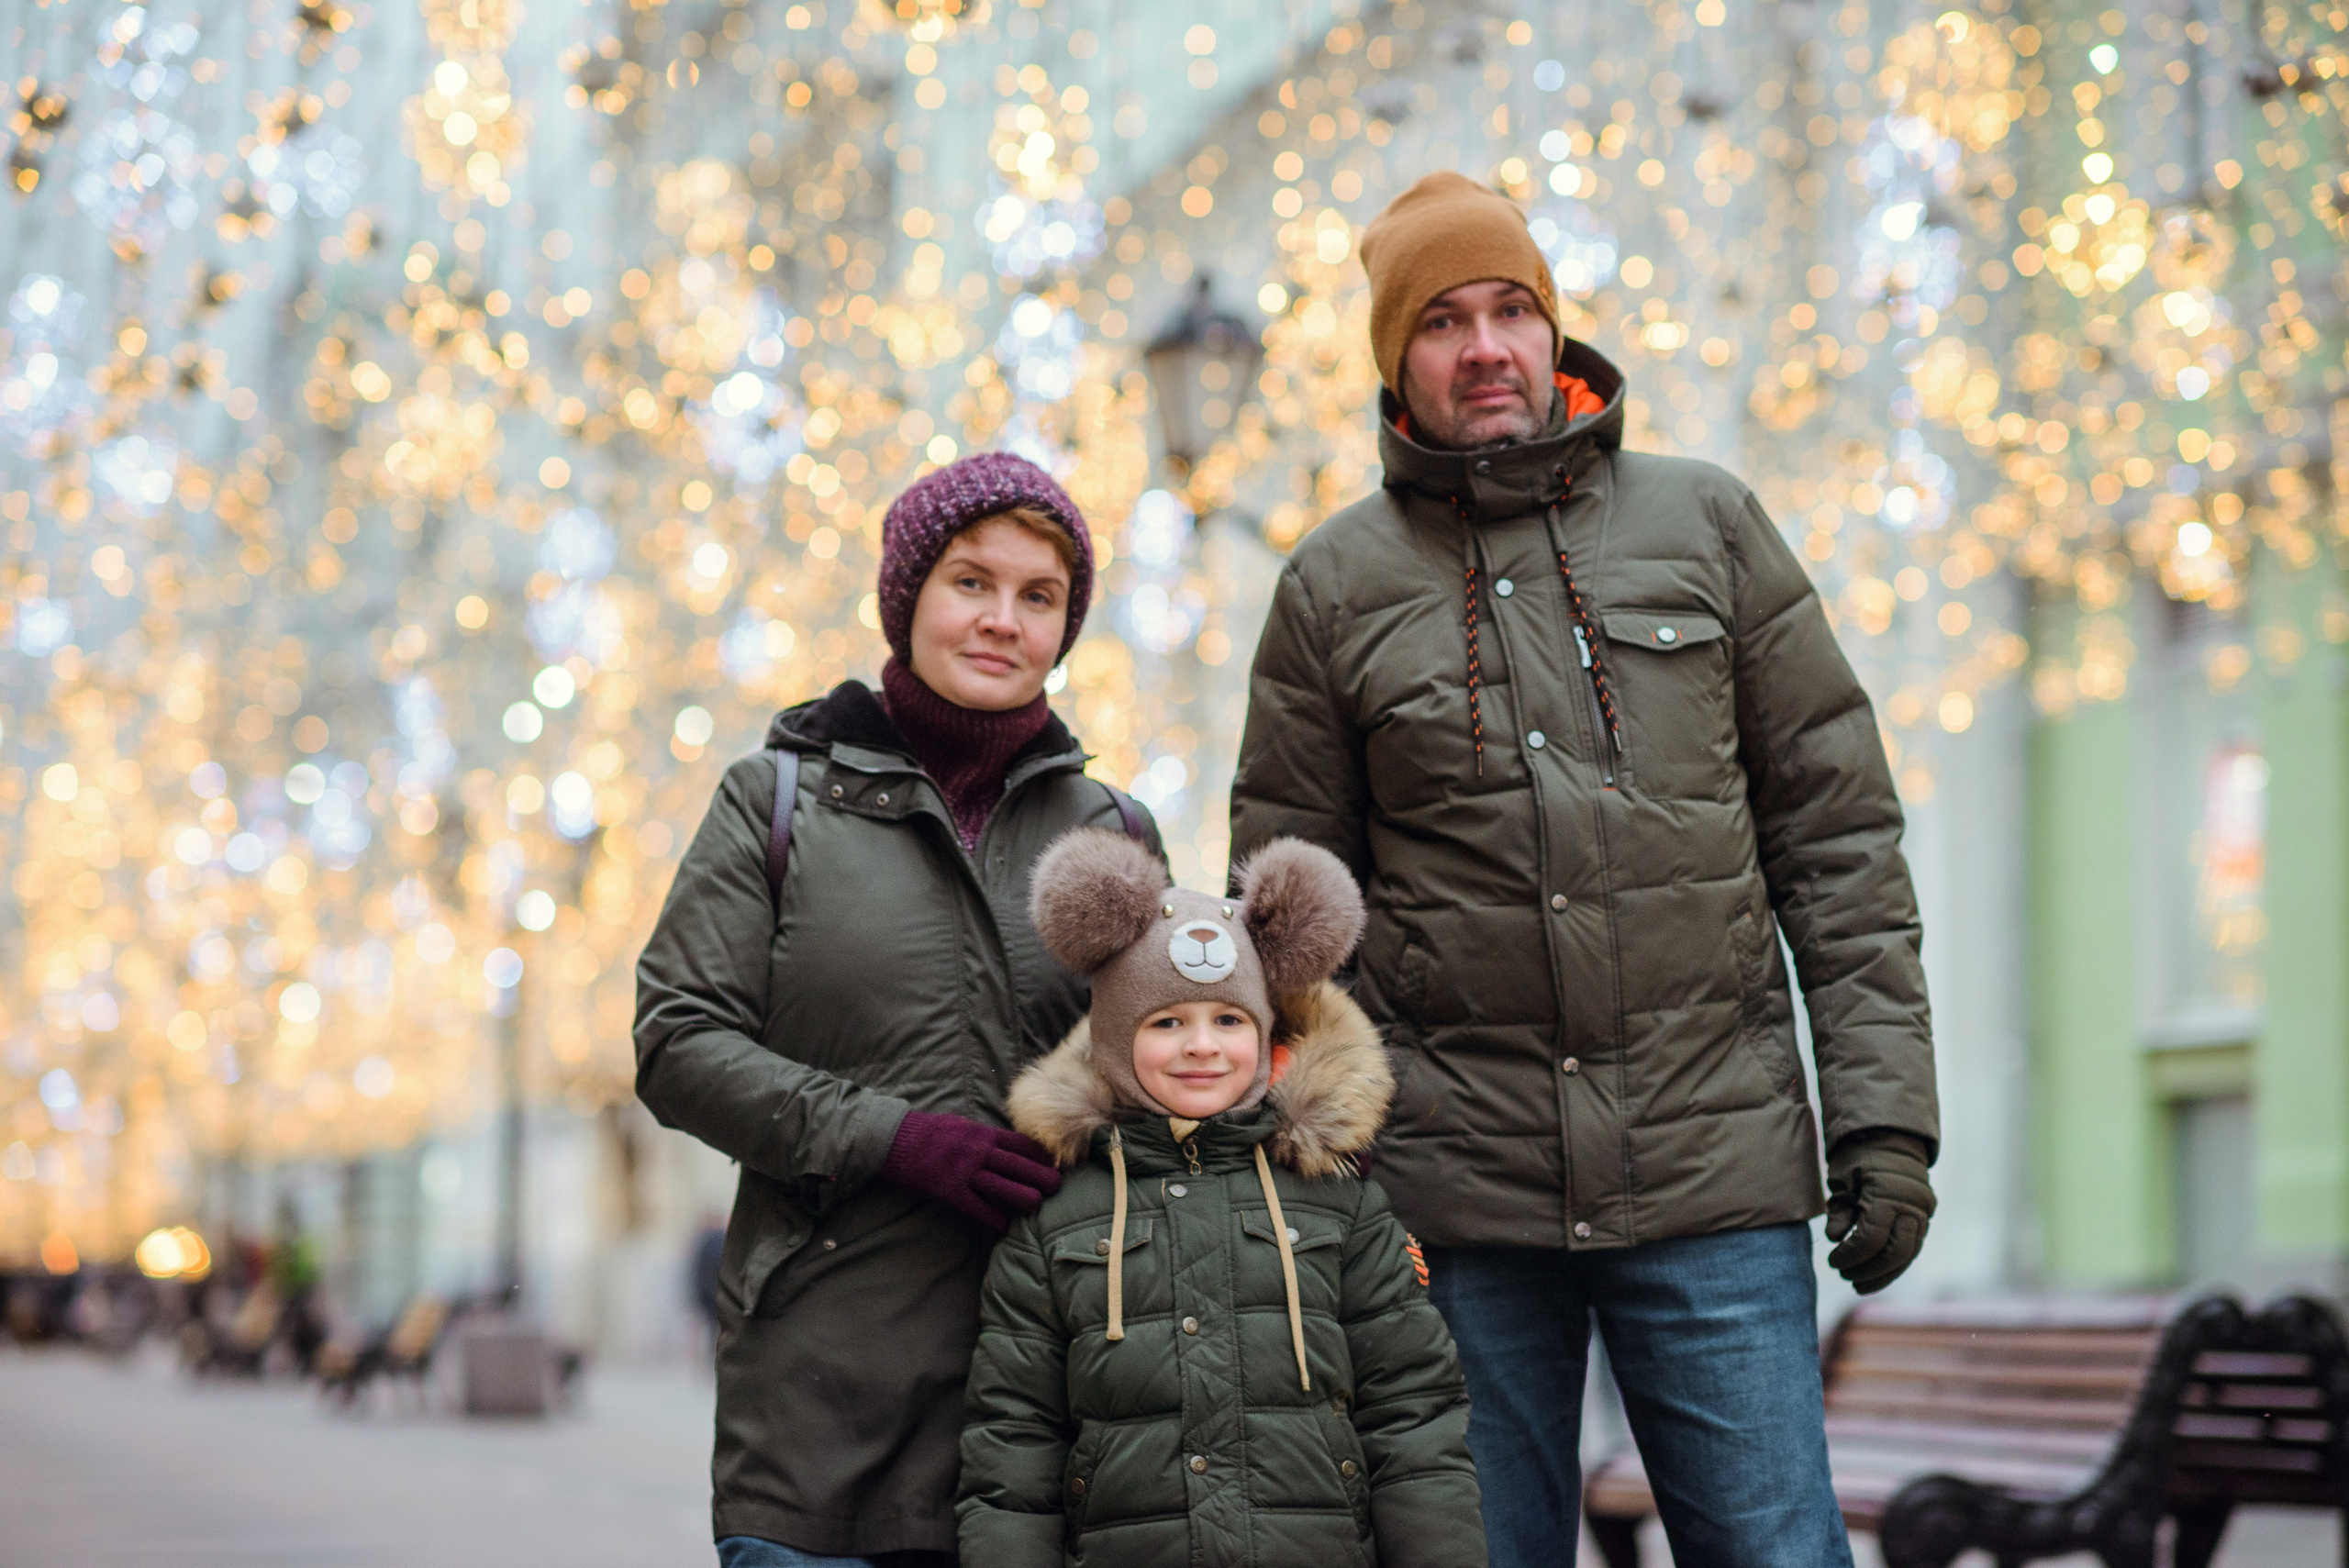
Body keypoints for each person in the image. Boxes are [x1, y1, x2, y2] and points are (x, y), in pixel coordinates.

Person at [1228, 171, 1941, 1565]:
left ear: (1554, 334)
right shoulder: (1331, 587)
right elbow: (1292, 925)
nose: (1483, 345)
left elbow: (1838, 843)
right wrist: (1317, 1178)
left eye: (1511, 309)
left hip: (1711, 1179)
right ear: (1396, 361)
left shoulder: (1707, 527)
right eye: (1441, 320)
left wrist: (1885, 1123)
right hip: (1455, 1209)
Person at [634, 452, 1162, 1568]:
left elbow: (1166, 1072)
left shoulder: (1115, 830)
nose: (1000, 620)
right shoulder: (774, 801)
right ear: (908, 593)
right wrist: (896, 1138)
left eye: (1039, 597)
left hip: (1050, 1409)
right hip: (825, 1407)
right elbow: (678, 1040)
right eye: (971, 582)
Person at [958, 828, 1486, 1568]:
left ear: (1265, 1031)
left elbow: (1413, 1417)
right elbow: (1014, 1441)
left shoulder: (1342, 1204)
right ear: (1113, 1039)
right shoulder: (1055, 1220)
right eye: (1167, 1021)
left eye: (1228, 1020)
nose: (1202, 1045)